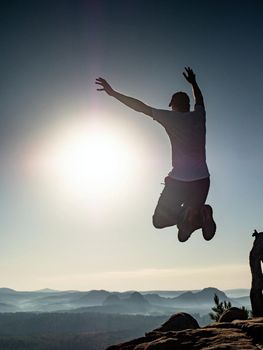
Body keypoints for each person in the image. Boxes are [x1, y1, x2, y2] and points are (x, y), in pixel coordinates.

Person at [96, 67, 216, 242]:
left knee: (159, 221)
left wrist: (113, 93)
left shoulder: (171, 118)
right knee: (184, 231)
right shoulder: (199, 116)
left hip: (179, 181)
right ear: (188, 105)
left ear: (174, 106)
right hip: (202, 180)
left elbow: (140, 107)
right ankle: (195, 214)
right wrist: (194, 83)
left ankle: (191, 214)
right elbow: (200, 99)